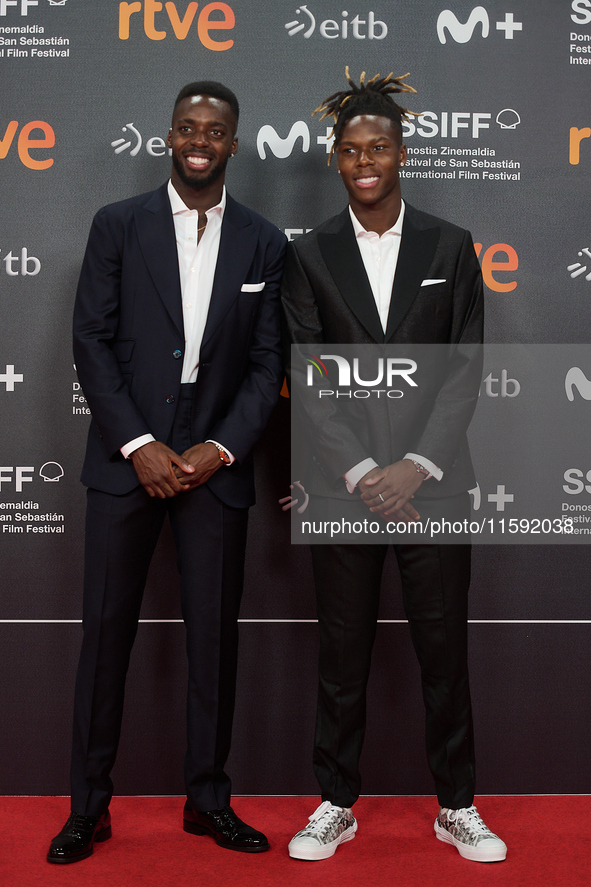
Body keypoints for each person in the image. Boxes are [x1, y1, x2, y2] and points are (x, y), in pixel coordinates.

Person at [47, 81, 286, 863]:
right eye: (186, 127)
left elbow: (266, 366)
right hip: (128, 462)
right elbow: (92, 341)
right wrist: (138, 444)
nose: (198, 140)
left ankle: (207, 799)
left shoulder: (262, 241)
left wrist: (219, 449)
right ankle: (87, 806)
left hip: (213, 467)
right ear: (168, 136)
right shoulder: (117, 225)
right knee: (104, 636)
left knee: (214, 643)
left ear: (234, 145)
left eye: (213, 131)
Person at [281, 69, 506, 864]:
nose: (364, 160)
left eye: (377, 147)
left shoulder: (450, 245)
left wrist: (414, 465)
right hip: (346, 490)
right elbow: (310, 371)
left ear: (401, 153)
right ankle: (335, 802)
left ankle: (456, 804)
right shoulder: (307, 254)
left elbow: (464, 365)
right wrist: (366, 474)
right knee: (342, 655)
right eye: (349, 150)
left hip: (434, 486)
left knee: (443, 650)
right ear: (335, 160)